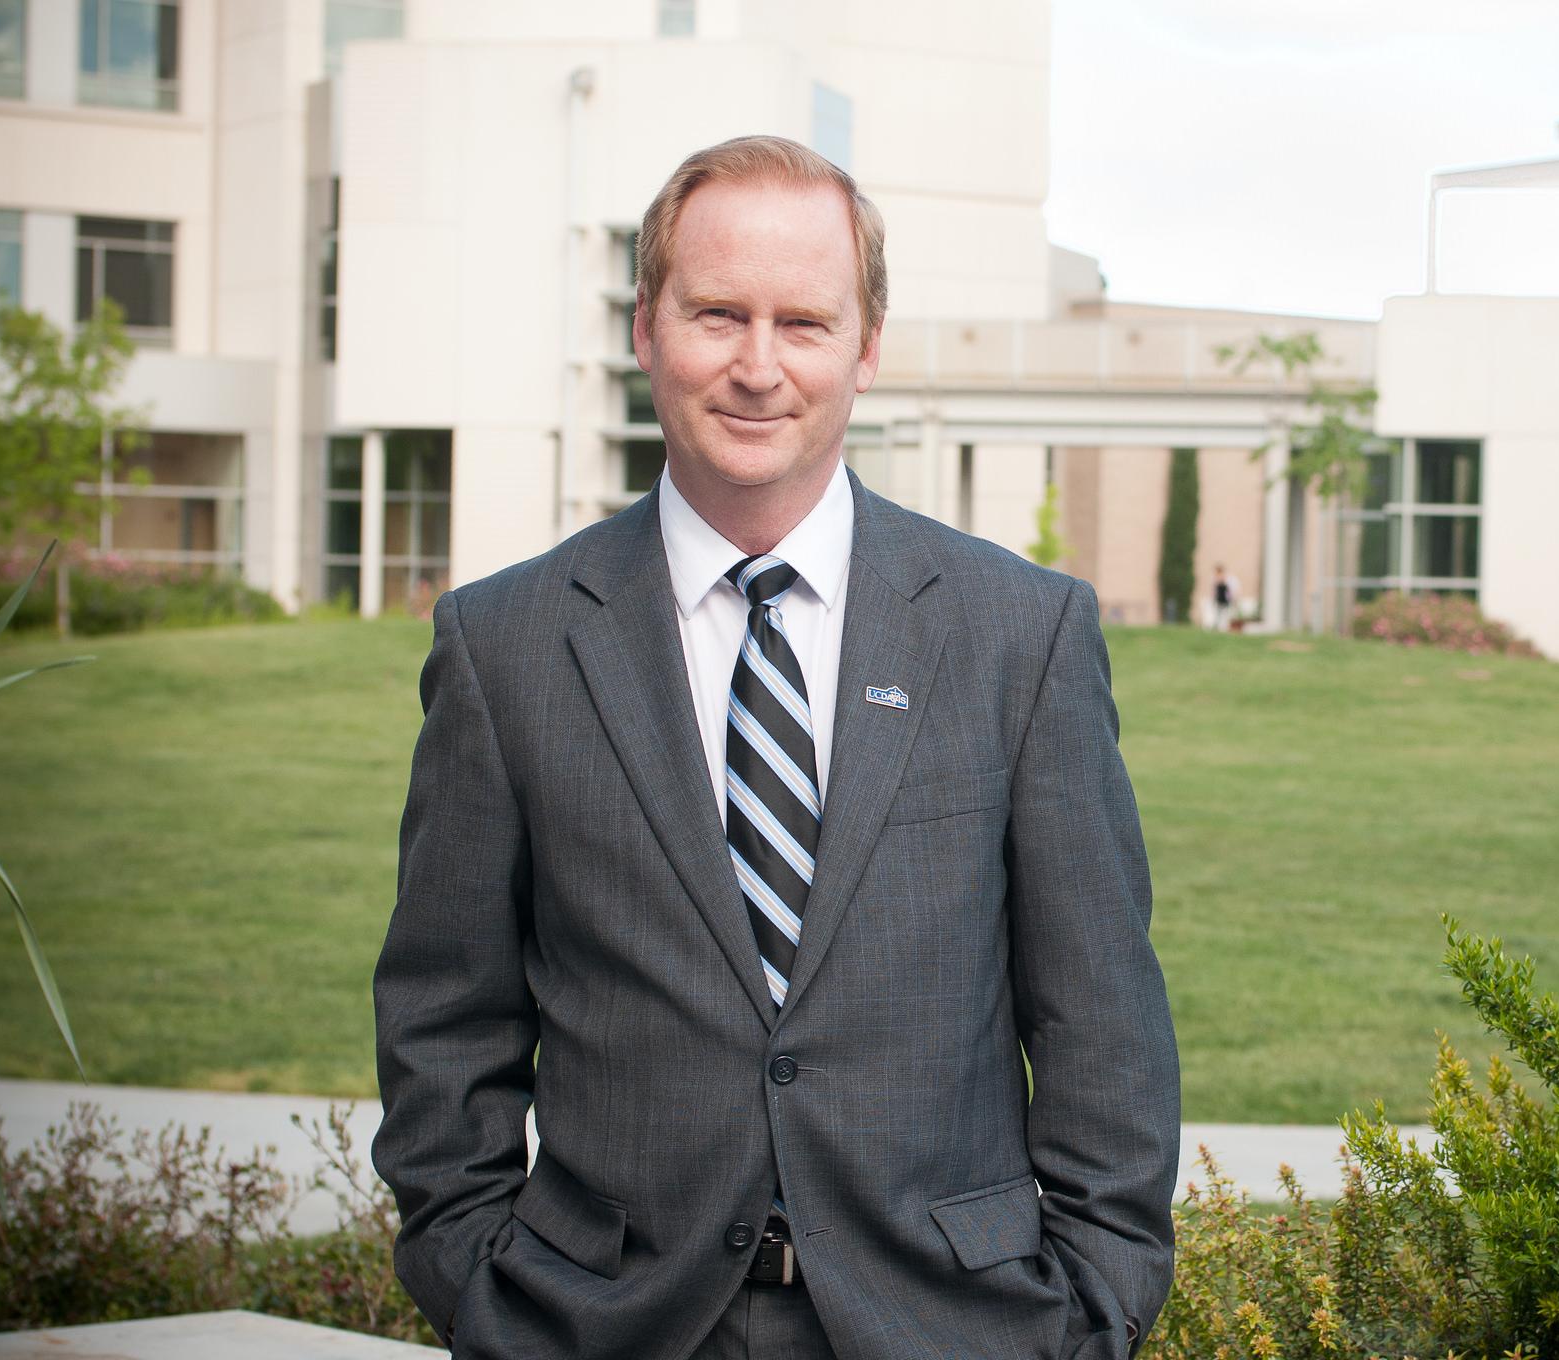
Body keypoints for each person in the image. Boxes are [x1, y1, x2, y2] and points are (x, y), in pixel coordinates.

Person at [371, 135, 1180, 1360]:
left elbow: (1100, 1028)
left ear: (864, 346)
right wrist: (482, 1282)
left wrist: (1087, 1311)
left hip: (951, 1325)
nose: (757, 367)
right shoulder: (506, 645)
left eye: (802, 321)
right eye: (715, 314)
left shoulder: (1022, 636)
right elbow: (444, 1017)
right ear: (645, 326)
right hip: (604, 1325)